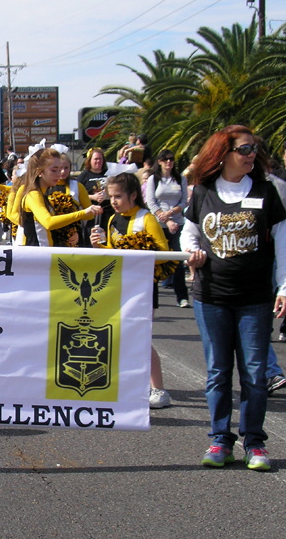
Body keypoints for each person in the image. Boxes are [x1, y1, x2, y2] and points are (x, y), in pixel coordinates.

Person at [182, 125, 286, 471]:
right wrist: (192, 253)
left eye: (254, 149)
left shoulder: (266, 191)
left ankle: (254, 443)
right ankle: (220, 440)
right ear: (223, 154)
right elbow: (190, 233)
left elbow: (282, 240)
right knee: (217, 371)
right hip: (211, 296)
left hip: (255, 297)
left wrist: (284, 286)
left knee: (255, 374)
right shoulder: (203, 192)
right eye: (243, 149)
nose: (251, 155)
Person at [90, 172, 172, 409]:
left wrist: (136, 252)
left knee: (141, 338)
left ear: (133, 195)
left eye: (118, 196)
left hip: (144, 288)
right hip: (119, 287)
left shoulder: (146, 219)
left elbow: (164, 255)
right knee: (119, 337)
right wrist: (100, 245)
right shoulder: (112, 220)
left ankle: (159, 389)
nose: (113, 201)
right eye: (111, 197)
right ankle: (128, 385)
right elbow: (113, 253)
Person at [8, 148, 101, 247]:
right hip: (36, 255)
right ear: (39, 171)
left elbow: (48, 228)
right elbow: (48, 222)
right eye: (54, 170)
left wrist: (70, 233)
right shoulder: (33, 194)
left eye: (61, 168)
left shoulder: (42, 193)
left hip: (46, 253)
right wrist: (84, 212)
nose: (59, 173)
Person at [145, 149, 190, 307]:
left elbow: (184, 201)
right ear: (159, 162)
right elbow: (150, 201)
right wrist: (162, 216)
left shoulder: (180, 179)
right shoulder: (153, 179)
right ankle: (152, 298)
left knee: (177, 260)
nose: (168, 162)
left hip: (176, 223)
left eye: (171, 159)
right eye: (165, 159)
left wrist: (170, 214)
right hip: (158, 225)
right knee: (156, 261)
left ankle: (182, 297)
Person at [79, 148, 110, 233]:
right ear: (90, 160)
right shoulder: (84, 175)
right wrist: (93, 197)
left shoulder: (109, 173)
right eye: (96, 159)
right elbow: (77, 194)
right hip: (91, 215)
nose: (98, 161)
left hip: (108, 212)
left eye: (100, 159)